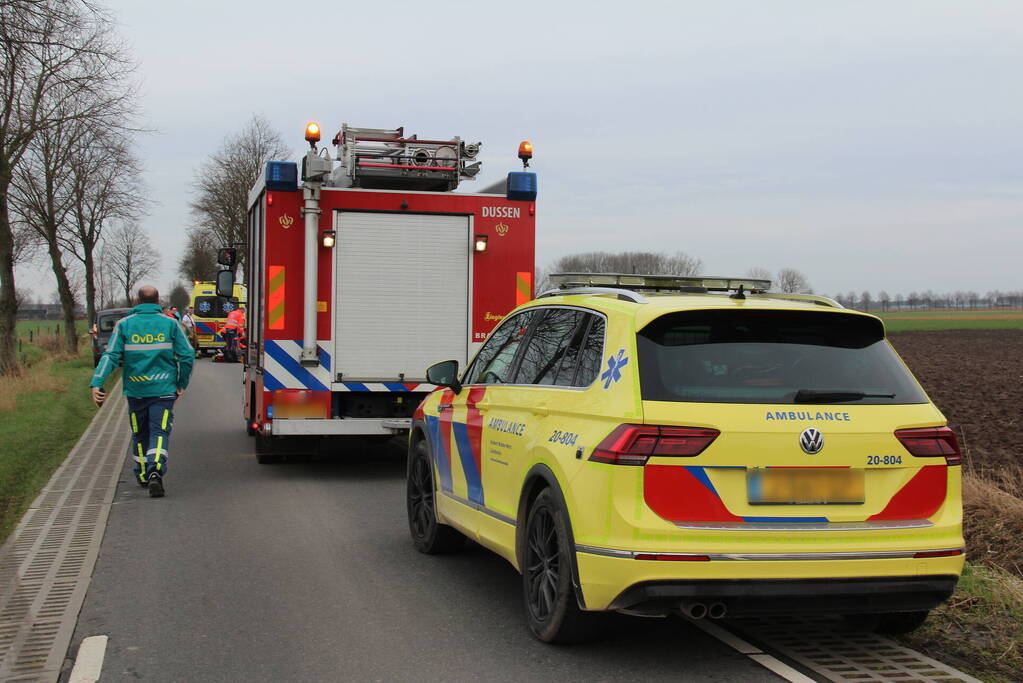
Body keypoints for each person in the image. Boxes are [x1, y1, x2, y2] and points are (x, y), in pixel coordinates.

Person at [90, 285, 194, 498]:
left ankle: (143, 473)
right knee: (159, 431)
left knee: (140, 433)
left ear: (137, 302)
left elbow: (110, 356)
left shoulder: (124, 325)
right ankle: (156, 469)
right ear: (158, 302)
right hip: (164, 390)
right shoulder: (170, 324)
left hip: (136, 391)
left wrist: (97, 383)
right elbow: (187, 355)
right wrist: (181, 383)